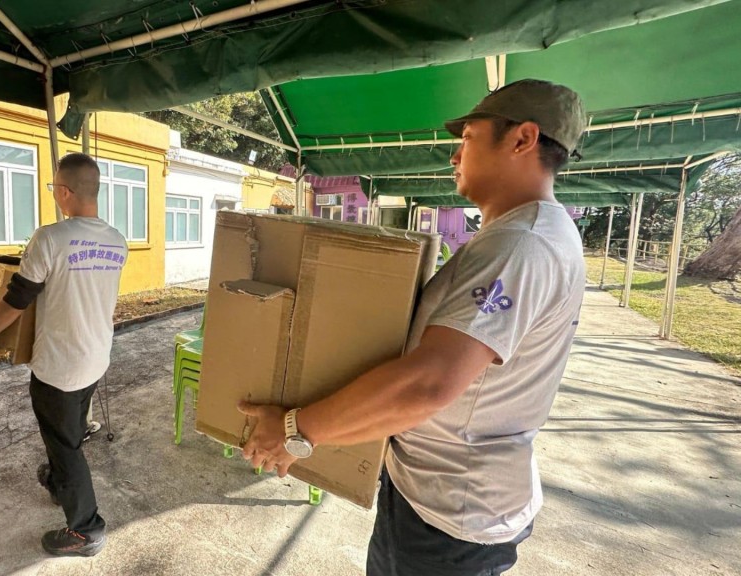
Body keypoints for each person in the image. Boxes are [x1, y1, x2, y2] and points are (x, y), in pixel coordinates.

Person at [237, 79, 587, 576]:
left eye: (468, 138)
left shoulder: (521, 244)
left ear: (523, 139)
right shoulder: (524, 235)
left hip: (450, 516)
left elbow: (429, 383)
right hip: (438, 495)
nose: (454, 155)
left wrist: (296, 431)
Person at [0, 153, 127, 558]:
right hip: (96, 355)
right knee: (70, 429)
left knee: (64, 445)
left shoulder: (50, 238)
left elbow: (17, 299)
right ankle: (59, 484)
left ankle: (86, 530)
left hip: (60, 365)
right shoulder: (117, 240)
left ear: (65, 191)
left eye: (55, 186)